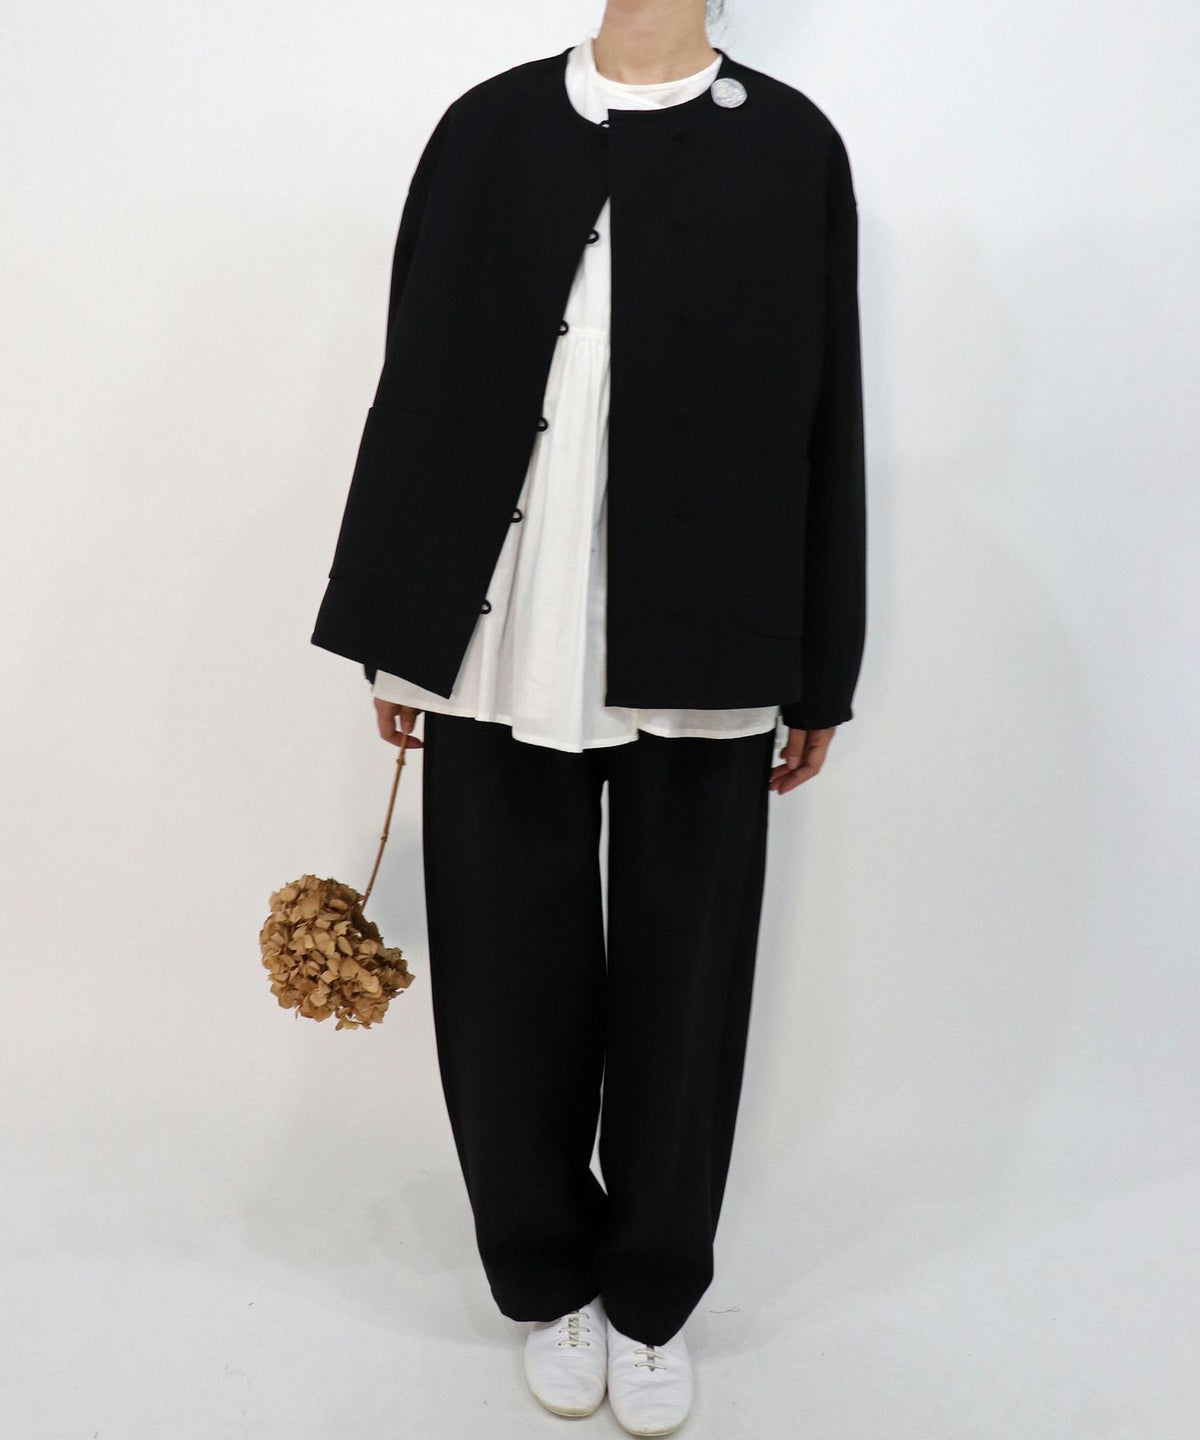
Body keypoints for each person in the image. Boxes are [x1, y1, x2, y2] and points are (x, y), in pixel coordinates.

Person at [311, 3, 866, 1434]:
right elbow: (421, 380)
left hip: (712, 625)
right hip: (502, 623)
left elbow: (827, 412)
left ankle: (653, 1296)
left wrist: (822, 664)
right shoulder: (489, 127)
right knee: (505, 975)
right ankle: (546, 1277)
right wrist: (400, 628)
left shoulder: (791, 146)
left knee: (688, 984)